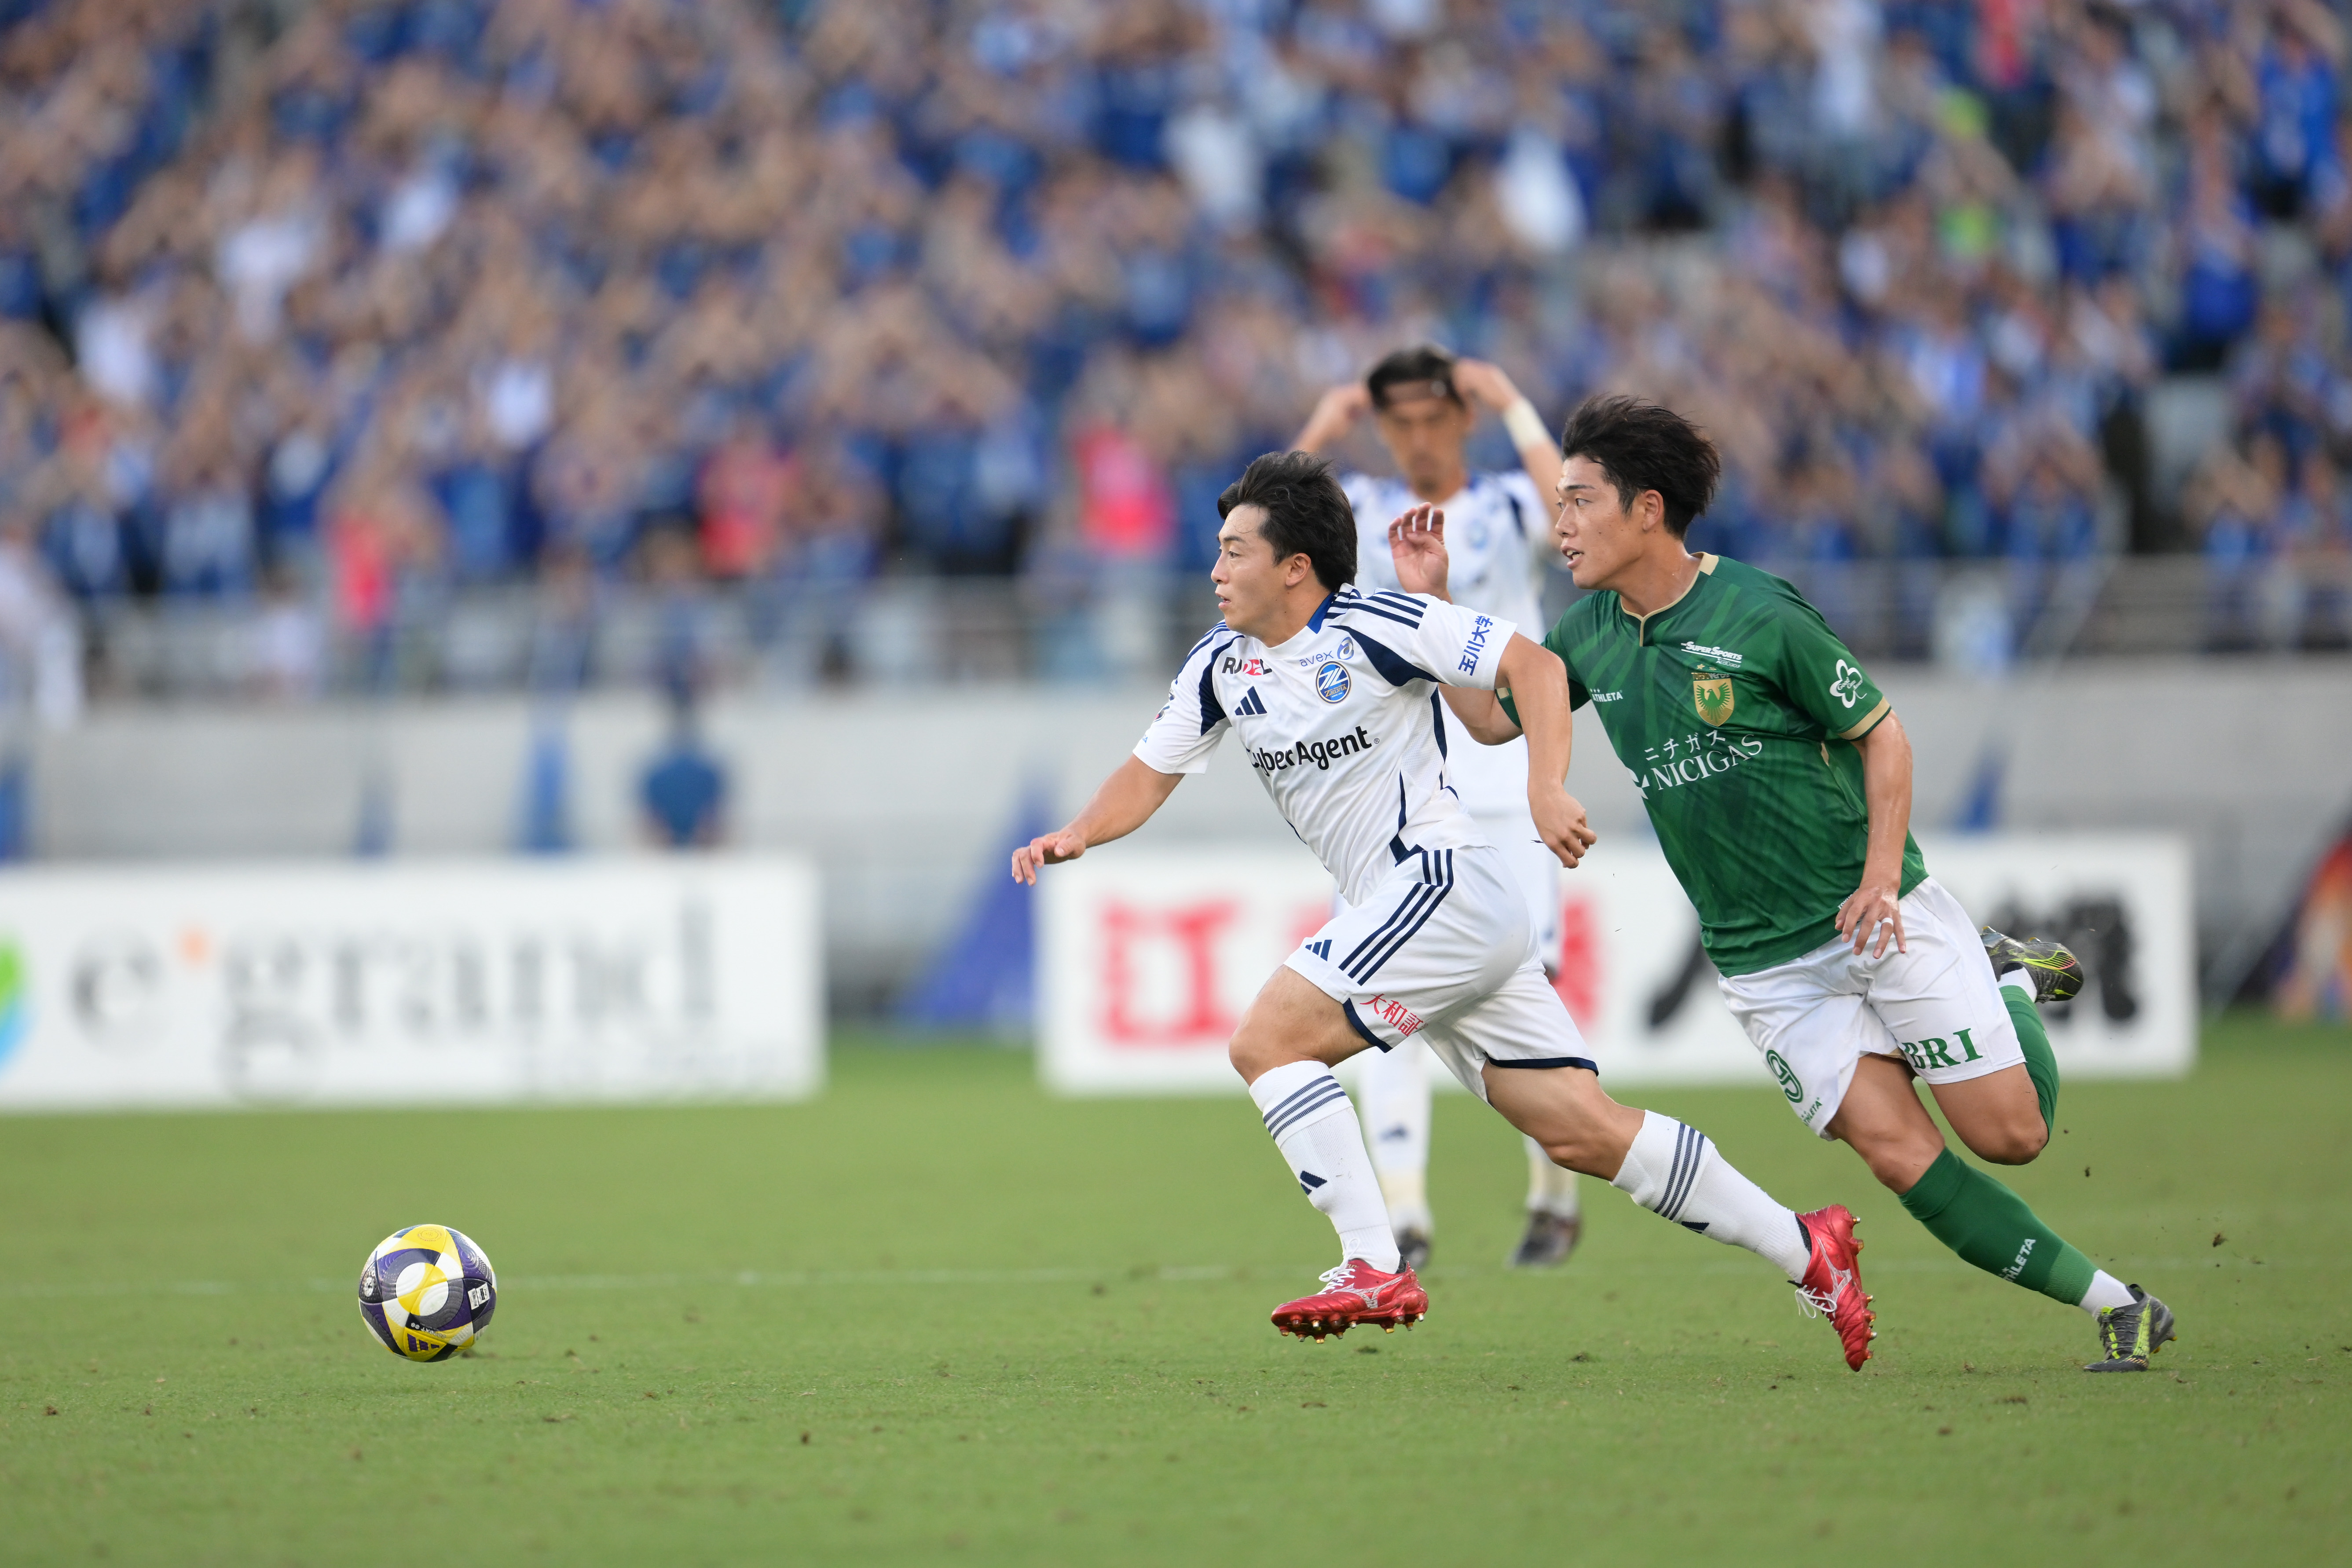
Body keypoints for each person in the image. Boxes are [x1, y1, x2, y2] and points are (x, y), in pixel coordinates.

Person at [1012, 450, 1876, 1367]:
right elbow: (1149, 774)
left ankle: (1372, 1261)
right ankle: (1806, 1247)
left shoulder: (1378, 623)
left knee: (1268, 1041)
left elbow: (1533, 666)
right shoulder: (1219, 668)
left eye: (1235, 552)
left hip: (1441, 886)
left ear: (1295, 567)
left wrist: (1545, 785)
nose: (1216, 570)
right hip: (1444, 919)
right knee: (1582, 1129)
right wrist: (1078, 833)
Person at [1407, 396, 2176, 1372]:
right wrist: (1434, 605)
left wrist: (1884, 877)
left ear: (1648, 509)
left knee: (2012, 1136)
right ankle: (2118, 1304)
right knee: (1898, 1156)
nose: (1559, 524)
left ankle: (2011, 982)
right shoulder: (1587, 632)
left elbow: (1883, 736)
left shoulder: (1759, 613)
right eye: (1558, 503)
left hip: (1870, 915)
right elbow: (1491, 722)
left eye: (1579, 501)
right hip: (1763, 965)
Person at [1293, 344, 1579, 1271]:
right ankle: (1406, 1214)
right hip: (1392, 794)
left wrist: (1516, 402)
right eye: (1399, 423)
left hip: (1506, 783)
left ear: (1463, 419)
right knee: (1379, 1001)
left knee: (1529, 988)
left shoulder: (1506, 504)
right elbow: (1269, 528)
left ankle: (1554, 1193)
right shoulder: (1361, 510)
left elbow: (1575, 515)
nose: (1418, 439)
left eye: (1433, 419)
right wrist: (1325, 426)